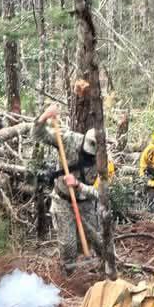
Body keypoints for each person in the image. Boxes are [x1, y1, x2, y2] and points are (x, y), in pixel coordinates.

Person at [32, 104, 112, 273]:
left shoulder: (105, 163)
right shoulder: (68, 139)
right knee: (68, 245)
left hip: (86, 203)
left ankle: (107, 270)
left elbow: (100, 194)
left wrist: (78, 185)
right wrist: (45, 116)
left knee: (98, 240)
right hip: (62, 200)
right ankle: (68, 276)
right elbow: (38, 134)